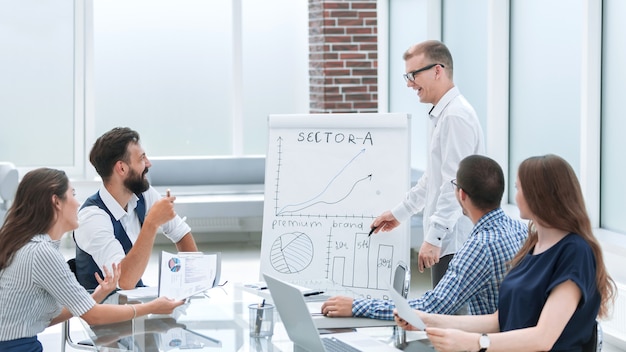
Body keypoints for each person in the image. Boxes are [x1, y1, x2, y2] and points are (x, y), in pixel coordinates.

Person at [395, 154, 616, 352]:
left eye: (519, 188)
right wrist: (427, 321)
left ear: (539, 196)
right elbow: (499, 321)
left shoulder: (576, 253)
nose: (515, 195)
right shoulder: (533, 244)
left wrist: (475, 343)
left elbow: (543, 338)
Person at [321, 155, 527, 319]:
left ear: (461, 195)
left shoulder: (479, 247)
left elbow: (432, 306)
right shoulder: (522, 231)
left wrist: (357, 306)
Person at [0, 168, 183, 352]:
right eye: (72, 195)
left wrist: (96, 296)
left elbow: (42, 319)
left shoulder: (30, 244)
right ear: (56, 202)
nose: (78, 203)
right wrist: (153, 307)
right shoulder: (41, 253)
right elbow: (94, 317)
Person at [370, 40, 484, 287]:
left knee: (450, 321)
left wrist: (435, 238)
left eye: (413, 75)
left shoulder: (455, 117)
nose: (410, 84)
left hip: (455, 243)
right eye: (407, 76)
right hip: (449, 242)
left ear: (437, 70)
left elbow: (454, 183)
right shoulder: (444, 115)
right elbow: (432, 180)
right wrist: (399, 213)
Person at [74, 127, 198, 290]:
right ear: (122, 168)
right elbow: (124, 282)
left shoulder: (143, 194)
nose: (149, 164)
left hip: (135, 299)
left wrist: (196, 281)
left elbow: (180, 233)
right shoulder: (92, 218)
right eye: (141, 159)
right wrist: (151, 223)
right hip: (105, 308)